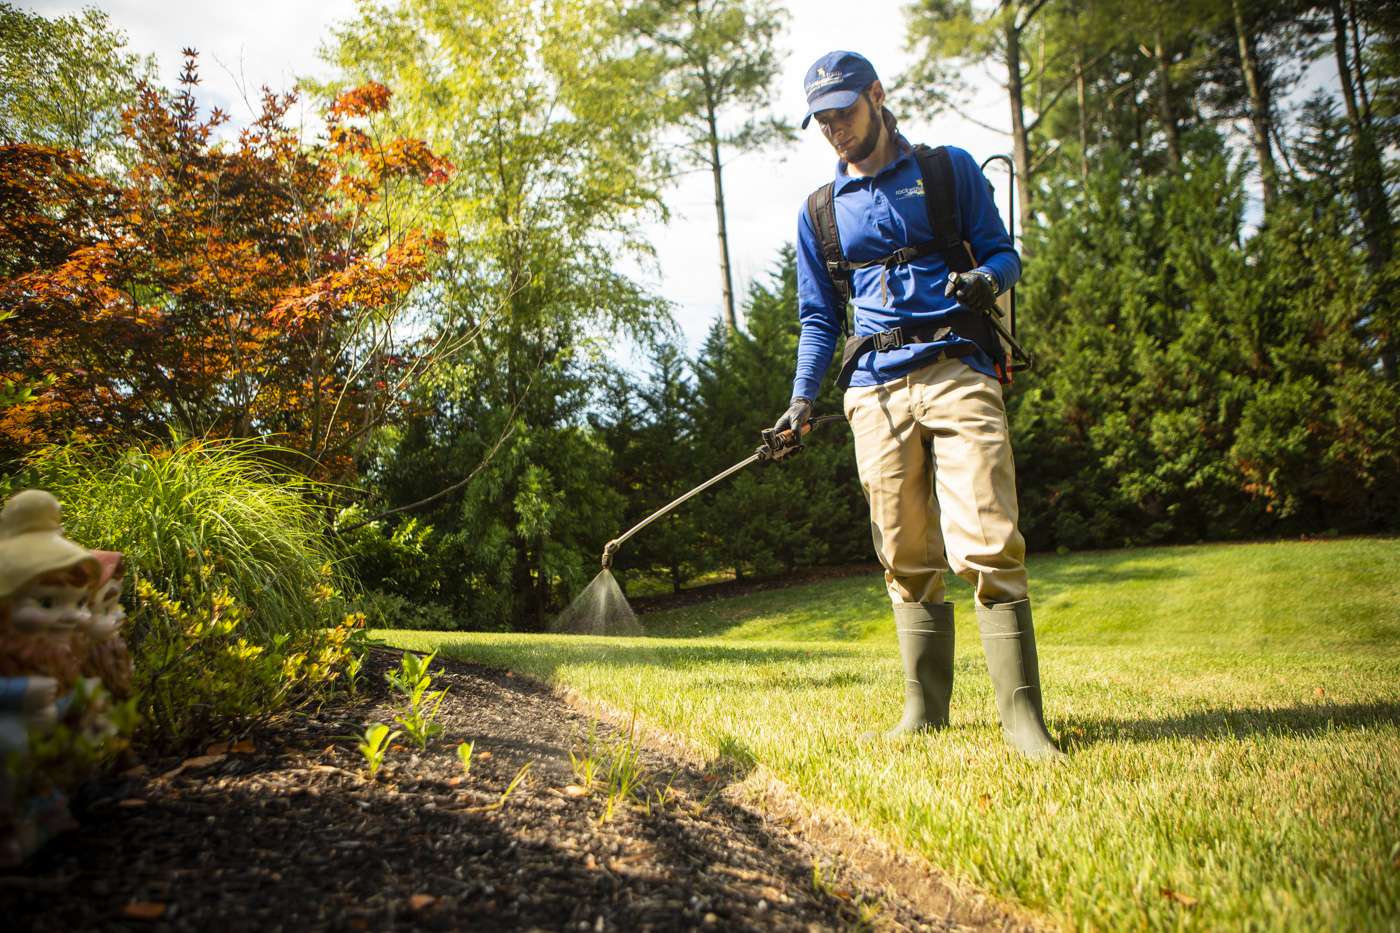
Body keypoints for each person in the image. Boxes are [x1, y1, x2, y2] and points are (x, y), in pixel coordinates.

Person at [773, 50, 1062, 758]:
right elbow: (819, 320)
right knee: (903, 551)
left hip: (958, 368)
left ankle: (1023, 720)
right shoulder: (820, 212)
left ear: (876, 96)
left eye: (844, 110)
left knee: (988, 537)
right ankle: (925, 709)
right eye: (823, 119)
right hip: (873, 388)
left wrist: (983, 280)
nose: (835, 128)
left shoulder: (946, 170)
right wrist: (801, 399)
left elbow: (1005, 253)